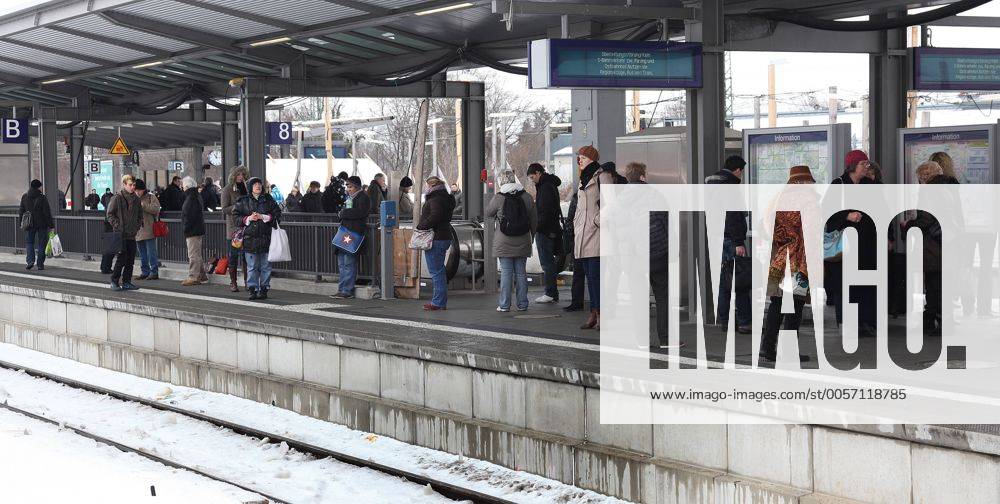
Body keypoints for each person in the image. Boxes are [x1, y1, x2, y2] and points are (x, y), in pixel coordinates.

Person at [758, 166, 817, 367]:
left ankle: (767, 347)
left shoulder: (777, 200)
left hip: (780, 258)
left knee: (777, 304)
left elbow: (767, 228)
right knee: (796, 305)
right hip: (799, 260)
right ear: (801, 182)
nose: (811, 185)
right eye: (809, 181)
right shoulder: (808, 201)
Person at [825, 149, 877, 335]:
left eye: (867, 164)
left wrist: (888, 237)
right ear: (853, 166)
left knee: (866, 282)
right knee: (846, 283)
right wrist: (847, 215)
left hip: (867, 243)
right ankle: (847, 323)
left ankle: (866, 322)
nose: (867, 167)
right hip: (846, 244)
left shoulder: (869, 185)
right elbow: (827, 212)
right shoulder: (838, 184)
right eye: (863, 164)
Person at [705, 155, 751, 334]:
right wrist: (739, 241)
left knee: (725, 281)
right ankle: (744, 322)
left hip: (717, 238)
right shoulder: (729, 186)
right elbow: (732, 215)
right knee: (740, 281)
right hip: (730, 239)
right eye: (742, 172)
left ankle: (724, 320)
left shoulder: (711, 185)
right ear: (738, 170)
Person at [574, 146, 614, 330]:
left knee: (597, 277)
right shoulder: (583, 179)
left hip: (597, 234)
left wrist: (597, 222)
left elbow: (611, 204)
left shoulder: (602, 177)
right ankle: (594, 313)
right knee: (590, 278)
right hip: (583, 234)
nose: (579, 161)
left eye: (582, 157)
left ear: (591, 159)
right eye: (578, 158)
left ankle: (602, 315)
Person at [487, 170, 537, 312]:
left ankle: (504, 305)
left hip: (504, 241)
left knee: (506, 273)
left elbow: (488, 212)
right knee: (521, 273)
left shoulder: (499, 197)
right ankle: (522, 304)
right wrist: (531, 236)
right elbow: (534, 220)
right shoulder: (526, 196)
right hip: (523, 239)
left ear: (501, 181)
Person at [234, 177, 281, 300]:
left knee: (266, 266)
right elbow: (236, 218)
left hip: (266, 238)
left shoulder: (268, 199)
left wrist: (264, 217)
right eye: (255, 184)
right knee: (252, 266)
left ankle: (264, 289)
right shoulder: (243, 200)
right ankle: (252, 289)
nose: (258, 186)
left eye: (259, 184)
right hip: (250, 239)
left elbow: (277, 214)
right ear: (250, 187)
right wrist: (248, 218)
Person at [416, 176, 456, 310]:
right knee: (439, 270)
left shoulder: (435, 199)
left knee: (436, 271)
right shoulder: (446, 197)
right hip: (444, 235)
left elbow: (435, 216)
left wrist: (421, 226)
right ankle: (440, 301)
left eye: (427, 186)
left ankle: (438, 302)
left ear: (431, 186)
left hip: (436, 237)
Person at [526, 162, 562, 304]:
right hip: (551, 228)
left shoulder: (545, 187)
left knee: (547, 263)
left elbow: (545, 212)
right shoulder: (549, 184)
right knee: (549, 262)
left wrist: (537, 227)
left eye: (532, 176)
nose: (531, 180)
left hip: (545, 230)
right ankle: (552, 292)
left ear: (538, 173)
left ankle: (550, 293)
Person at [331, 176, 370, 299]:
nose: (348, 189)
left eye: (351, 186)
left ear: (357, 187)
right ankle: (342, 288)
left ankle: (347, 290)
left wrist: (343, 213)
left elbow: (361, 212)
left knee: (349, 263)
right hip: (346, 232)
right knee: (342, 263)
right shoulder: (350, 198)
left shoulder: (363, 197)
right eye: (347, 186)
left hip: (354, 233)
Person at [106, 174, 142, 292]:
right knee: (121, 259)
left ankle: (127, 282)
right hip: (120, 234)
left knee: (130, 260)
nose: (132, 187)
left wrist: (136, 226)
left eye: (134, 185)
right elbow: (110, 214)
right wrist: (118, 226)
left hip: (131, 234)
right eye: (130, 185)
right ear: (124, 185)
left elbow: (139, 215)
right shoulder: (117, 198)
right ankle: (114, 281)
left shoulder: (136, 199)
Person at [221, 166, 250, 292]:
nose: (240, 177)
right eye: (238, 175)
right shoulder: (227, 189)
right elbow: (224, 208)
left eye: (242, 175)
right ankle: (233, 282)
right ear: (233, 176)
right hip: (234, 229)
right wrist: (238, 207)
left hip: (247, 226)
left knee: (246, 256)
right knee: (233, 256)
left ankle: (248, 282)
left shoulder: (247, 188)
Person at [18, 179, 54, 271]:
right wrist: (51, 225)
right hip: (42, 224)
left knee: (29, 243)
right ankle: (40, 264)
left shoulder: (25, 196)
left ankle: (30, 261)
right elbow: (47, 213)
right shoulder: (42, 197)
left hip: (29, 224)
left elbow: (21, 211)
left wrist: (20, 223)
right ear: (38, 187)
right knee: (42, 244)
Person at [181, 176, 207, 287]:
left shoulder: (190, 198)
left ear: (186, 186)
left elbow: (189, 216)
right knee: (197, 254)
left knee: (193, 255)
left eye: (183, 186)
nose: (182, 188)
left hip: (192, 230)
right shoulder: (196, 196)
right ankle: (201, 275)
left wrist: (185, 228)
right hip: (197, 229)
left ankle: (193, 276)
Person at [133, 179, 161, 281]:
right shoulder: (133, 198)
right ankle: (145, 271)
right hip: (138, 230)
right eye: (136, 190)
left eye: (139, 190)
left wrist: (143, 206)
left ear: (143, 189)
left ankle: (154, 272)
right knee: (142, 253)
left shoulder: (150, 197)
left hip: (149, 229)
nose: (137, 192)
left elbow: (156, 209)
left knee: (151, 252)